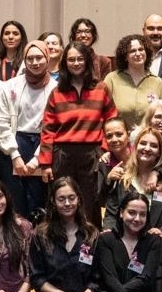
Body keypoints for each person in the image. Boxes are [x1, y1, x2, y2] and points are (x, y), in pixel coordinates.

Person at [39, 41, 120, 224]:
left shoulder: (101, 88)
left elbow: (112, 121)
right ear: (65, 63)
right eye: (71, 60)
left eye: (80, 59)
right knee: (62, 201)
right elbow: (48, 129)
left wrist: (105, 150)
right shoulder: (57, 92)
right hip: (63, 154)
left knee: (90, 204)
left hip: (93, 154)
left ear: (87, 61)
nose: (76, 63)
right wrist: (45, 164)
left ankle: (90, 240)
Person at [0, 41, 55, 218]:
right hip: (14, 146)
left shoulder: (56, 88)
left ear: (47, 58)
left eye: (39, 58)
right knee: (14, 202)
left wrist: (37, 160)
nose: (35, 62)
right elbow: (1, 121)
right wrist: (15, 156)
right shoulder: (10, 86)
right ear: (25, 61)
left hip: (43, 147)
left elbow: (55, 127)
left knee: (38, 202)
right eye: (30, 58)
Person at [104, 127, 162, 233]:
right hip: (123, 239)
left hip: (157, 240)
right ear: (135, 147)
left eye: (154, 146)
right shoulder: (122, 178)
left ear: (159, 152)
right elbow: (111, 215)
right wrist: (109, 232)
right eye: (143, 143)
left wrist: (161, 233)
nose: (147, 148)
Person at [104, 34, 162, 131]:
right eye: (132, 51)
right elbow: (104, 111)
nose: (138, 54)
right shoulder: (112, 79)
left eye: (141, 49)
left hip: (148, 138)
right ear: (125, 56)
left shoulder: (157, 82)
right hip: (120, 137)